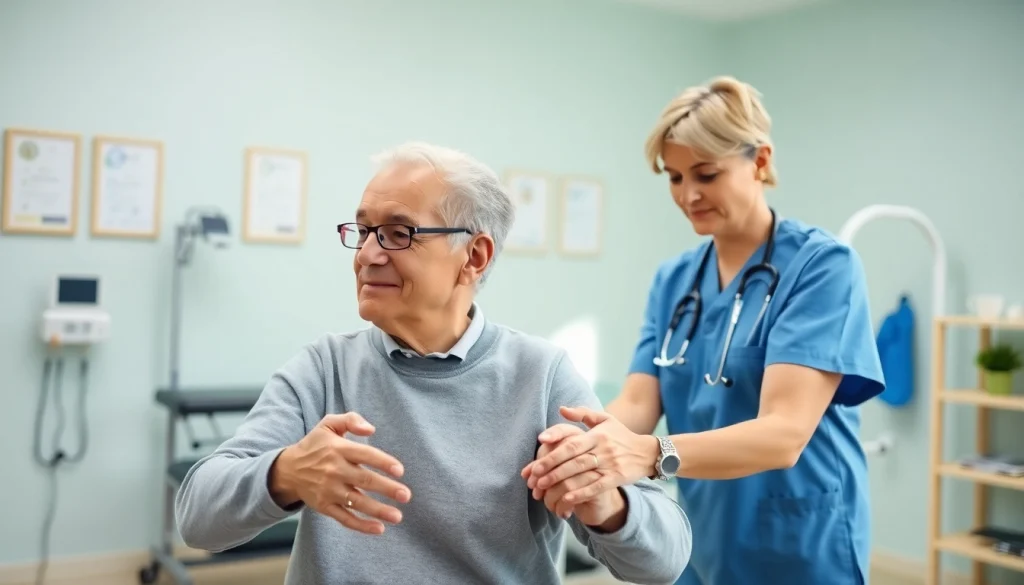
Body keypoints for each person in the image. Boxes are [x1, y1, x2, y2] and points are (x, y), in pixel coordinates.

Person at [174, 141, 692, 585]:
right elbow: (197, 518)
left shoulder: (542, 376)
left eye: (399, 233)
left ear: (475, 256)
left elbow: (665, 559)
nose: (368, 254)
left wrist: (608, 507)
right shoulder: (324, 369)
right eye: (363, 230)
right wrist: (285, 473)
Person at [523, 76, 886, 584]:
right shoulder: (675, 280)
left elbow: (784, 433)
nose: (688, 195)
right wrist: (576, 444)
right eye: (673, 177)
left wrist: (651, 454)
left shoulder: (822, 267)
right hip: (701, 535)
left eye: (706, 174)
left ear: (760, 161)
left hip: (798, 539)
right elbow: (637, 404)